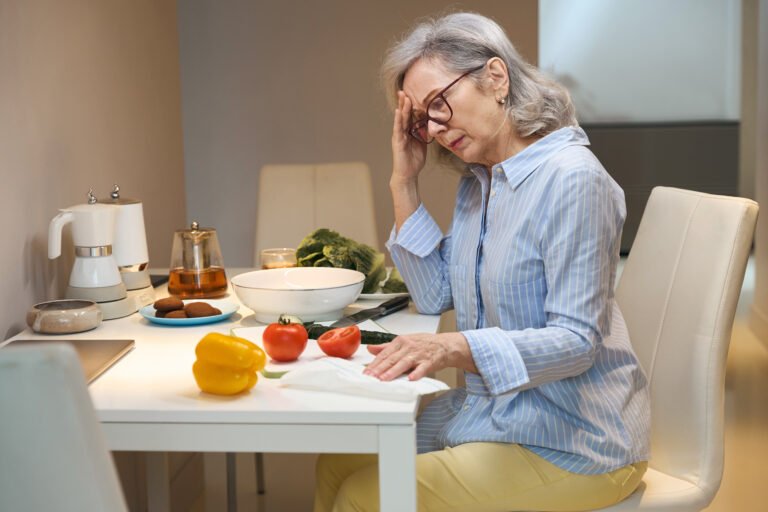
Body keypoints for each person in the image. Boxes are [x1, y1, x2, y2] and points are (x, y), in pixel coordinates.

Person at [315, 11, 649, 512]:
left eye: (439, 103)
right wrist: (404, 181)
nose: (432, 127)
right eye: (422, 118)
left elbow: (577, 342)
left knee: (365, 496)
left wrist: (451, 347)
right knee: (336, 461)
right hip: (498, 413)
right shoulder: (483, 181)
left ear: (495, 77)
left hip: (574, 440)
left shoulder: (573, 180)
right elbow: (434, 294)